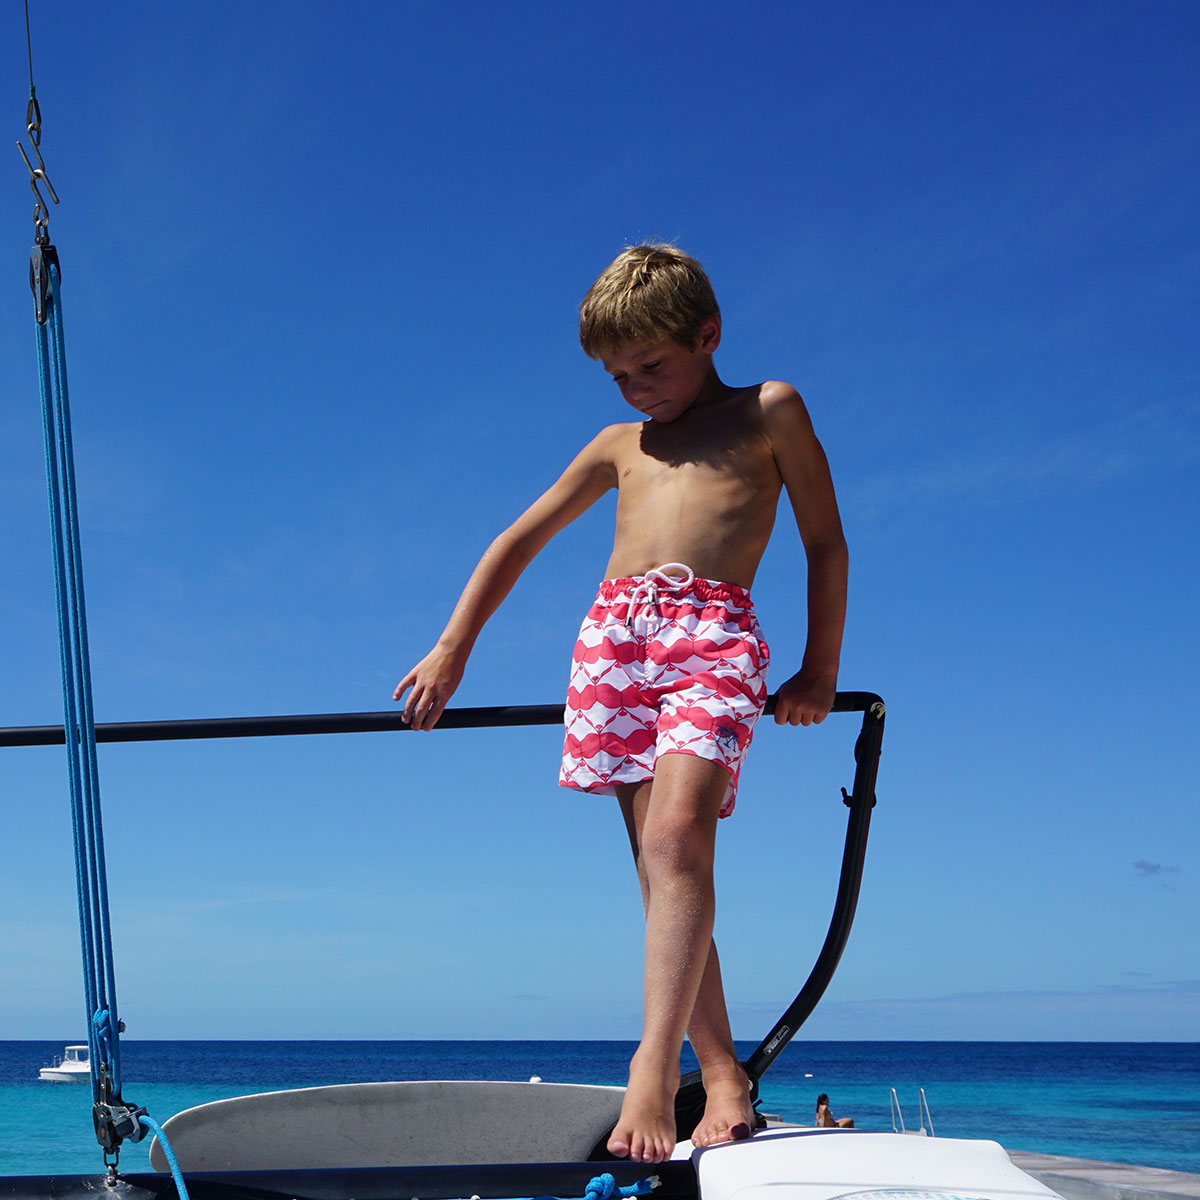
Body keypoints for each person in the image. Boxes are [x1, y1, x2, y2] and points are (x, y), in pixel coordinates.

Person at [395, 244, 848, 1163]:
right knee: (659, 868)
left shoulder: (767, 409)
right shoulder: (616, 446)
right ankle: (721, 1073)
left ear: (708, 335)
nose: (636, 388)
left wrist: (820, 672)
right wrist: (453, 647)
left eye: (653, 365)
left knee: (679, 840)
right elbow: (517, 542)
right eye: (618, 374)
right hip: (614, 645)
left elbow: (826, 543)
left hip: (714, 636)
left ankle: (652, 1066)